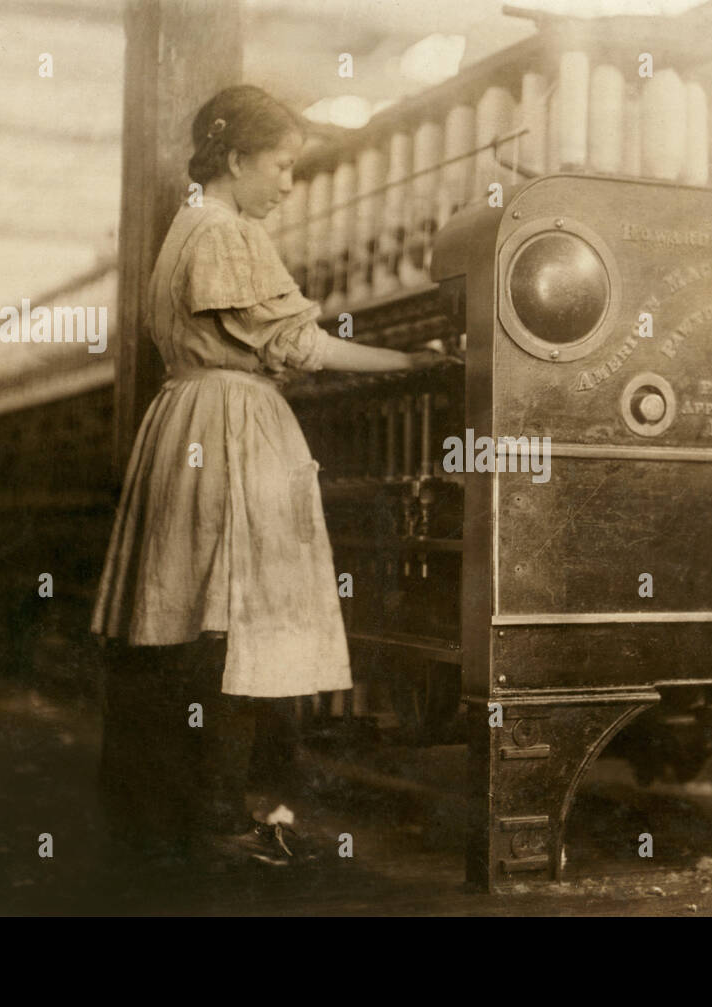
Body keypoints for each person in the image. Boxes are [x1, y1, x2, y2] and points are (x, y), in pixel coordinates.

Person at [91, 84, 439, 866]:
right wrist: (413, 361)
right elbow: (300, 349)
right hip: (231, 429)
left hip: (190, 423)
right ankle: (226, 822)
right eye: (281, 165)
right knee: (238, 621)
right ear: (237, 158)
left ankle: (189, 816)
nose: (288, 182)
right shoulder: (225, 234)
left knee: (197, 617)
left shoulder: (192, 228)